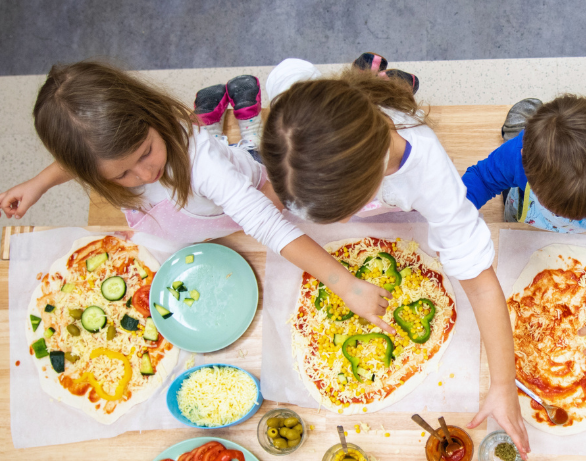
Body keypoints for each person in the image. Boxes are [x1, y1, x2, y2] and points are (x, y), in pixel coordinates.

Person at [261, 57, 531, 457]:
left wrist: (503, 385)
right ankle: (376, 78)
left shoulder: (431, 178)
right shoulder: (295, 107)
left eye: (339, 214)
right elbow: (286, 72)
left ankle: (387, 83)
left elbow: (482, 284)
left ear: (369, 188)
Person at [0, 60, 391, 331]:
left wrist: (346, 284)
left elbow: (266, 224)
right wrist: (39, 183)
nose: (145, 173)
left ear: (152, 115)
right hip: (187, 226)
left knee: (277, 191)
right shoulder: (104, 154)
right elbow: (78, 160)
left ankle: (248, 136)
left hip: (245, 192)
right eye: (121, 175)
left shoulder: (202, 163)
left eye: (146, 152)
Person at [462, 95, 586, 357]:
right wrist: (455, 219)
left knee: (536, 135)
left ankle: (532, 122)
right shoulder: (517, 158)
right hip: (530, 216)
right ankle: (523, 126)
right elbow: (481, 179)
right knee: (511, 162)